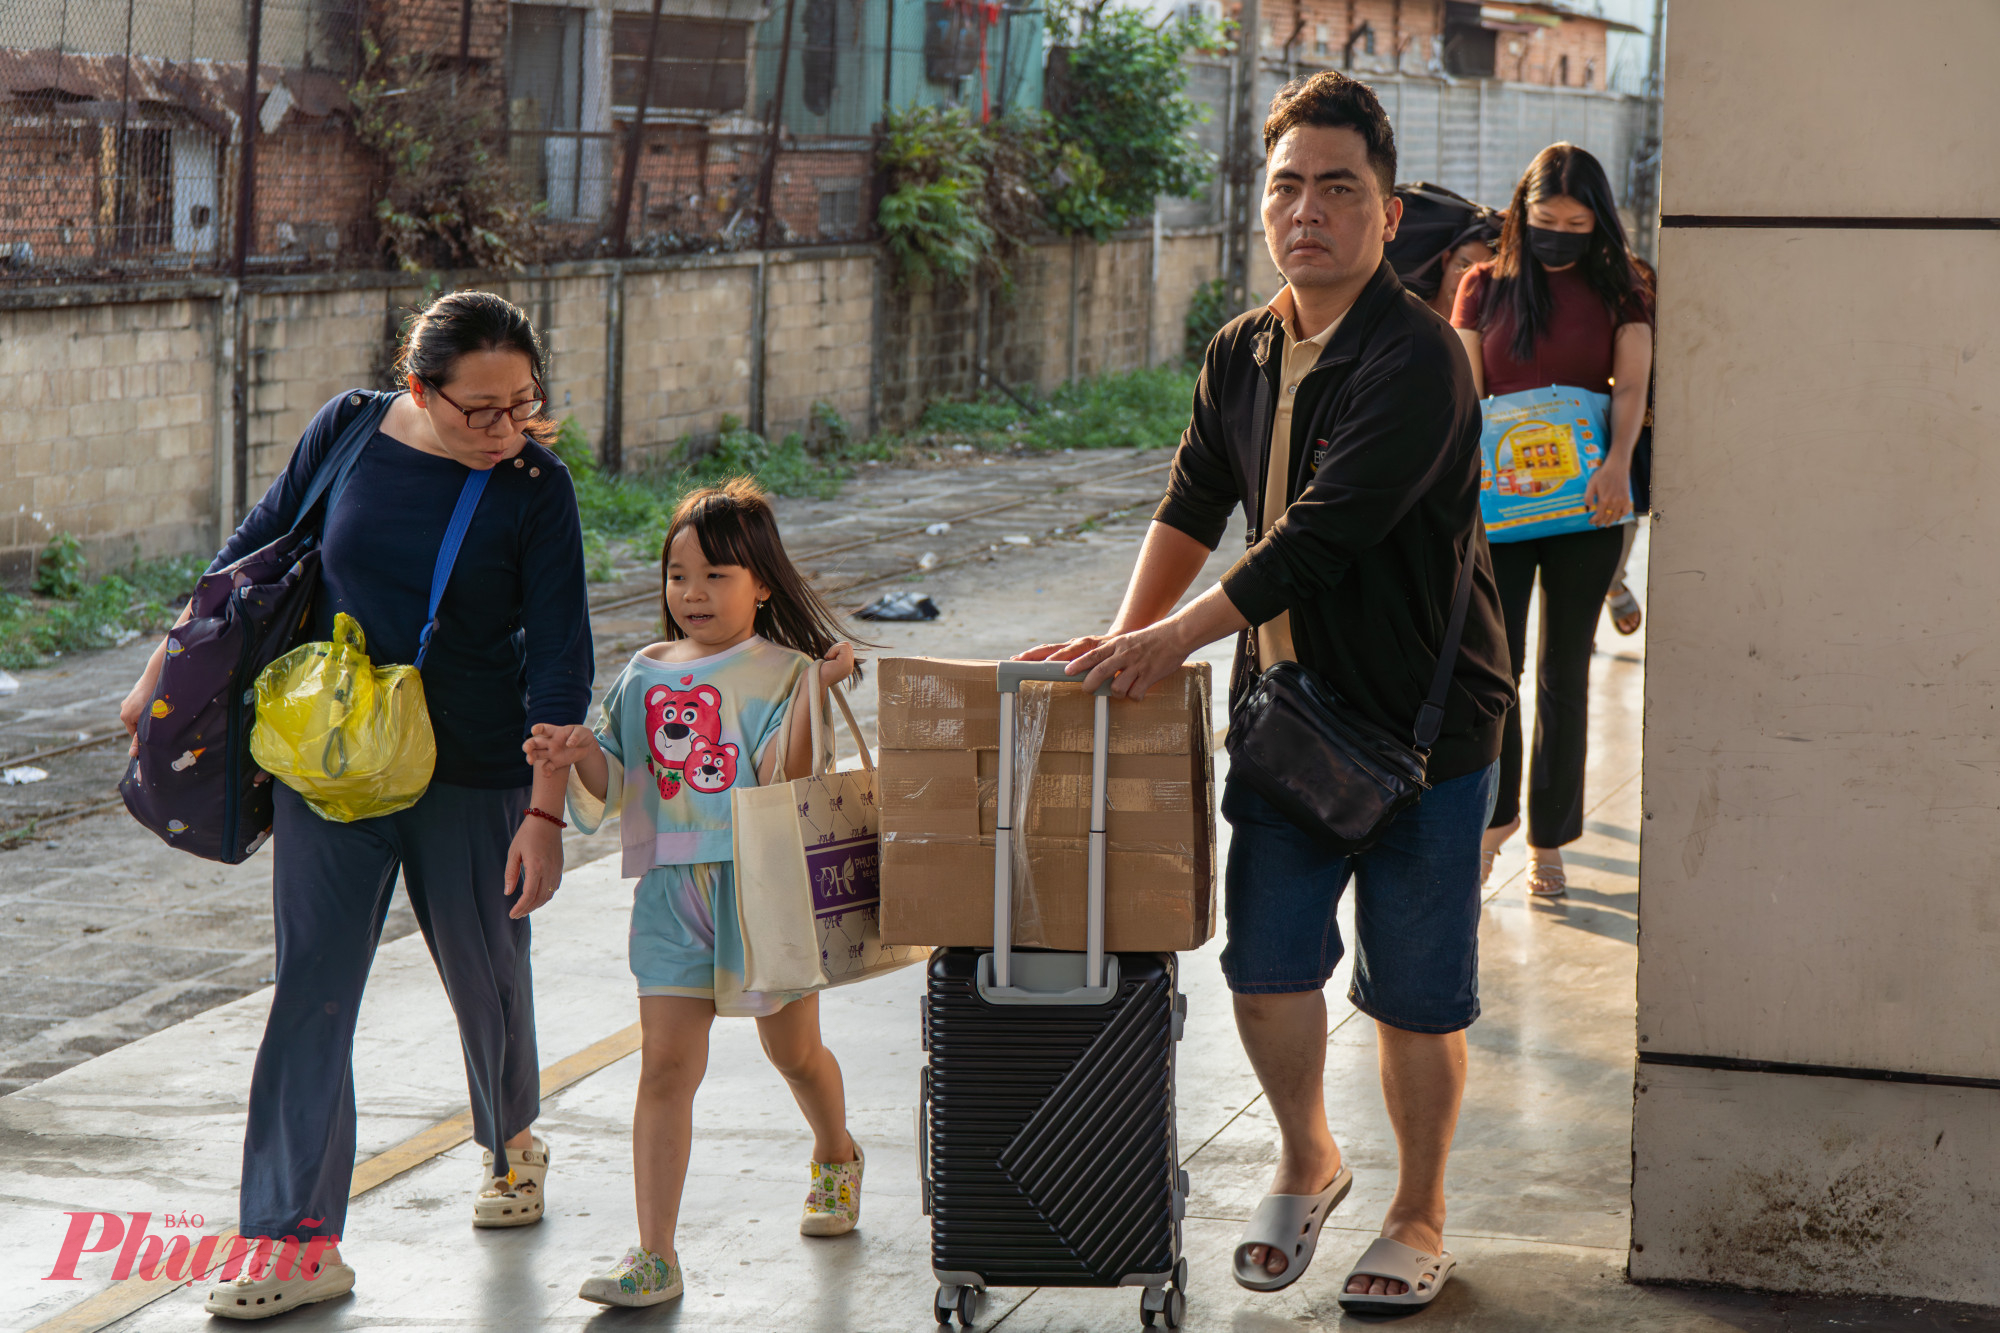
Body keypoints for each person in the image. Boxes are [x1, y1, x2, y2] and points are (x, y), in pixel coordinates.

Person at [1018, 71, 1513, 1313]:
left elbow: (1316, 538)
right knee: (1265, 967)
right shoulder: (1240, 348)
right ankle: (1308, 1155)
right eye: (1287, 185)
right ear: (1260, 205)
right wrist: (1118, 648)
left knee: (1412, 994)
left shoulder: (1421, 358)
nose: (1309, 210)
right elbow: (1192, 499)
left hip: (1422, 732)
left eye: (1338, 188)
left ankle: (1417, 1208)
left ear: (1386, 214)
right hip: (1288, 724)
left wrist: (1170, 642)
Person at [116, 290, 594, 1318]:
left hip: (471, 770)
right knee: (312, 992)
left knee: (486, 972)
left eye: (523, 403)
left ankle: (511, 1134)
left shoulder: (534, 487)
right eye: (481, 408)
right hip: (327, 762)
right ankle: (296, 1239)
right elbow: (253, 547)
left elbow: (560, 651)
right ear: (419, 388)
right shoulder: (347, 428)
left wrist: (545, 812)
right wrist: (164, 667)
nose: (506, 427)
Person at [523, 480, 863, 1309]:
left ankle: (835, 1151)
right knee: (666, 1067)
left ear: (763, 585)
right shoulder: (643, 675)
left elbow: (789, 779)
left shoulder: (785, 670)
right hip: (670, 890)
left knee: (794, 1054)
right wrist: (574, 752)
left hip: (763, 889)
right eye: (678, 575)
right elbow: (614, 784)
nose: (693, 593)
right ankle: (655, 1254)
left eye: (716, 575)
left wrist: (820, 687)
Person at [1452, 143, 1655, 897]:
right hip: (1498, 513)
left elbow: (1631, 387)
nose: (1560, 232)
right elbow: (1464, 396)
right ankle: (1489, 826)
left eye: (1576, 220)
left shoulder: (1623, 287)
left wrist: (1617, 463)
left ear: (1598, 221)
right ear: (1521, 213)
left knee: (1566, 675)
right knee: (1498, 675)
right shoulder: (1482, 286)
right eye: (1545, 218)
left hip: (1588, 508)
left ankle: (1548, 840)